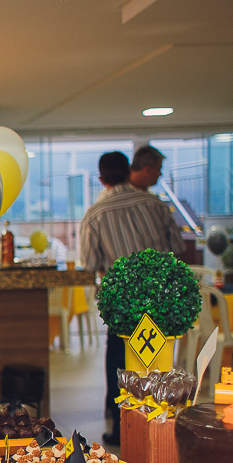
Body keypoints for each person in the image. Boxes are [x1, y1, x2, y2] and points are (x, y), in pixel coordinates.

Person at [80, 150, 185, 445]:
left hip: (123, 299)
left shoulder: (95, 214)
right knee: (156, 359)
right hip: (161, 296)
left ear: (101, 179)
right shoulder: (155, 205)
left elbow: (89, 263)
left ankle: (120, 426)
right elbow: (177, 247)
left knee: (119, 359)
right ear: (129, 171)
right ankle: (160, 422)